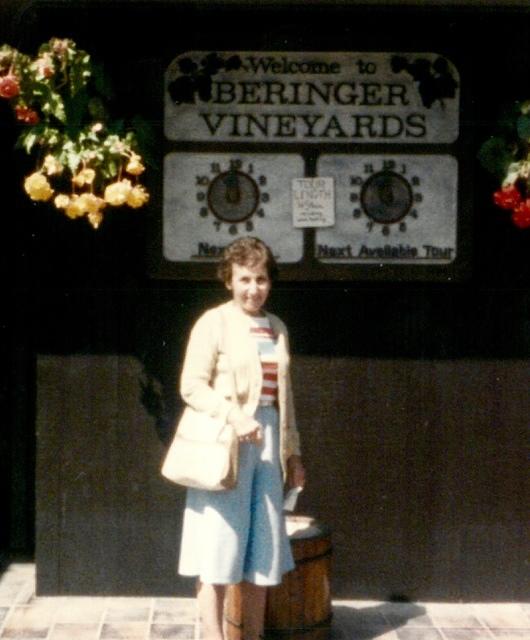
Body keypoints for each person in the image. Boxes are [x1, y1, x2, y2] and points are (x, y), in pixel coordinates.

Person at [177, 237, 305, 640]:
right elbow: (191, 386)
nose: (254, 288)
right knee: (217, 550)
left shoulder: (277, 326)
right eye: (245, 279)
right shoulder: (212, 323)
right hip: (226, 445)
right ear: (229, 280)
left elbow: (285, 399)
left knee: (261, 553)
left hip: (268, 448)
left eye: (262, 279)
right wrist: (234, 417)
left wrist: (294, 456)